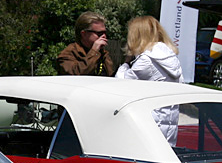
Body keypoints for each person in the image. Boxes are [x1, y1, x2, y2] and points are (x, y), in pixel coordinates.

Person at [116, 15, 184, 144]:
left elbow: (121, 83)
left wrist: (125, 64)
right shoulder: (171, 57)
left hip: (151, 125)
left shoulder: (147, 60)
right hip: (169, 126)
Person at [57, 11, 115, 76]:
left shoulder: (103, 54)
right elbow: (77, 75)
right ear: (84, 34)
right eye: (99, 34)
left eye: (105, 33)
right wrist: (94, 51)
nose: (104, 36)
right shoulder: (69, 54)